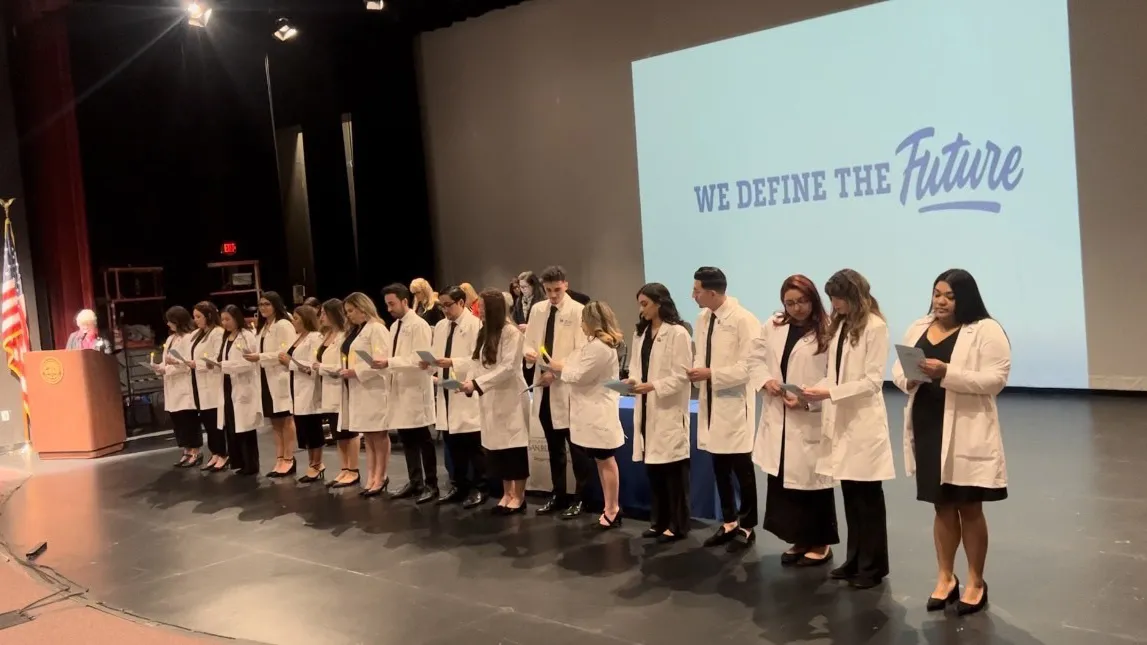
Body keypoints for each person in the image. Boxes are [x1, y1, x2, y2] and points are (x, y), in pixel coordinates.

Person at [892, 269, 1009, 615]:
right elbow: (899, 370)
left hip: (967, 428)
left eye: (949, 296)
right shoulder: (917, 327)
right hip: (928, 425)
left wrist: (948, 374)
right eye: (937, 293)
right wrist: (908, 380)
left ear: (965, 299)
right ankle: (946, 577)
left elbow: (996, 379)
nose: (940, 301)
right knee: (941, 506)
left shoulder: (986, 330)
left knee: (969, 507)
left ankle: (975, 581)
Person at [801, 269, 895, 589]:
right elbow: (836, 374)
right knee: (851, 496)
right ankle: (854, 558)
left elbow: (871, 382)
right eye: (832, 299)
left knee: (868, 497)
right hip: (842, 420)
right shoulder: (840, 326)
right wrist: (814, 391)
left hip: (863, 423)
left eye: (838, 297)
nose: (834, 304)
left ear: (855, 296)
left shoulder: (875, 327)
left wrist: (830, 392)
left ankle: (873, 565)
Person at [749, 275, 837, 566]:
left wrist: (808, 399)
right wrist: (766, 381)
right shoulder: (774, 325)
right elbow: (755, 359)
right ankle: (799, 539)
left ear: (813, 299)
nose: (797, 308)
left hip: (809, 414)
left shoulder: (828, 330)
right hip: (779, 413)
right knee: (786, 483)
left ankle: (821, 542)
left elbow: (834, 376)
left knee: (813, 484)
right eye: (790, 303)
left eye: (802, 301)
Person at [690, 266, 761, 552]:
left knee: (742, 468)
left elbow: (749, 366)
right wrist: (697, 370)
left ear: (712, 292)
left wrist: (711, 374)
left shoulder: (745, 320)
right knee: (718, 465)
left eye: (696, 291)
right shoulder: (702, 318)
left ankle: (747, 524)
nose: (692, 295)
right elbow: (700, 354)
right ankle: (729, 520)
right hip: (710, 399)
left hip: (733, 402)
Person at [549, 301, 627, 529]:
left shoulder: (600, 348)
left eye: (583, 321)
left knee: (606, 461)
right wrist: (561, 365)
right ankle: (609, 507)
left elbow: (578, 375)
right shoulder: (591, 345)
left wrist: (558, 368)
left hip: (598, 413)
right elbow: (573, 362)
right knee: (601, 462)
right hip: (589, 412)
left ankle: (612, 508)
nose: (581, 325)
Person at [524, 265, 592, 519]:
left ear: (566, 284)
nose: (553, 295)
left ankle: (582, 498)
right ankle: (558, 494)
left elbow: (581, 351)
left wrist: (557, 372)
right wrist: (529, 355)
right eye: (548, 290)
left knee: (577, 448)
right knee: (554, 447)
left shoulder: (578, 311)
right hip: (543, 386)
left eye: (557, 289)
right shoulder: (538, 310)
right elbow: (528, 341)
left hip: (565, 386)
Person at [626, 283, 693, 541]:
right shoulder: (640, 333)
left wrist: (654, 386)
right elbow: (635, 367)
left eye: (645, 304)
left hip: (667, 409)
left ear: (659, 303)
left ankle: (677, 524)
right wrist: (631, 382)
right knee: (654, 471)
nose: (641, 310)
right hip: (646, 407)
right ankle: (659, 521)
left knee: (673, 473)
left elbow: (681, 376)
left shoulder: (678, 334)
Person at [461, 289, 531, 514]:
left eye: (481, 307)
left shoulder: (511, 333)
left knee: (514, 450)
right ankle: (506, 493)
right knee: (497, 450)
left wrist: (478, 383)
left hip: (510, 398)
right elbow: (476, 361)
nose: (478, 310)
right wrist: (467, 382)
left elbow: (508, 368)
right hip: (490, 398)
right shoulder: (484, 332)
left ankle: (519, 497)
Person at [377, 283, 439, 503]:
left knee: (423, 439)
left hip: (415, 389)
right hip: (399, 388)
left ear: (404, 301)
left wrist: (389, 362)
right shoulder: (395, 327)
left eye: (392, 304)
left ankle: (431, 484)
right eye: (386, 305)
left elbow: (420, 358)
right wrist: (382, 363)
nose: (389, 309)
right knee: (407, 438)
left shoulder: (419, 325)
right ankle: (415, 481)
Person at [426, 286, 486, 508]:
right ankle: (458, 485)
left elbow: (477, 359)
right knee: (452, 444)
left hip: (465, 390)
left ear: (461, 302)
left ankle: (479, 487)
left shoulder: (475, 325)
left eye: (448, 305)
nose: (445, 310)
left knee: (472, 445)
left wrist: (452, 362)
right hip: (445, 388)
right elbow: (436, 354)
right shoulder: (441, 326)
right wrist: (429, 363)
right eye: (441, 305)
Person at [339, 292, 392, 496]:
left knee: (378, 434)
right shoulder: (357, 330)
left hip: (374, 389)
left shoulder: (377, 329)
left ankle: (381, 475)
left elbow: (381, 359)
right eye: (347, 312)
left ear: (363, 308)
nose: (349, 315)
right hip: (359, 389)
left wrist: (356, 371)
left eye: (351, 311)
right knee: (368, 436)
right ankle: (371, 475)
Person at [247, 291, 298, 478]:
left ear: (276, 305)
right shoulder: (262, 327)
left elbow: (285, 352)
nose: (263, 308)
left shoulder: (283, 324)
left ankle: (289, 458)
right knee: (274, 421)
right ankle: (279, 457)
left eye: (267, 304)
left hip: (280, 376)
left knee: (285, 418)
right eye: (261, 305)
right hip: (264, 377)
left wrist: (260, 357)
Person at [315, 298, 358, 488]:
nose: (321, 316)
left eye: (324, 313)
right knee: (337, 432)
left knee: (348, 431)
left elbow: (342, 365)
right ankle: (344, 468)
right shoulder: (326, 335)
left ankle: (353, 469)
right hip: (328, 389)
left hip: (342, 388)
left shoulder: (343, 336)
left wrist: (321, 367)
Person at [217, 305, 262, 476]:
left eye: (228, 319)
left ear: (237, 318)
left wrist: (225, 365)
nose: (225, 323)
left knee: (246, 428)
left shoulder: (246, 336)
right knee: (232, 425)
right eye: (223, 320)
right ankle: (239, 462)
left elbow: (248, 363)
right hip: (229, 385)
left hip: (243, 385)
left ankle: (251, 464)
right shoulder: (227, 337)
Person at [284, 305, 326, 483]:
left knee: (312, 426)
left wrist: (290, 363)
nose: (293, 321)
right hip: (296, 387)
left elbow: (312, 366)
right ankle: (311, 462)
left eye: (296, 318)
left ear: (306, 319)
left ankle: (317, 463)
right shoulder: (297, 337)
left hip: (309, 388)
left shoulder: (314, 337)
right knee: (303, 428)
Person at [156, 306, 201, 467]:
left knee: (188, 419)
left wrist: (168, 367)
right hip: (172, 385)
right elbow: (166, 359)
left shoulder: (190, 337)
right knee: (178, 420)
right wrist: (159, 367)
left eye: (170, 320)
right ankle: (186, 450)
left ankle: (195, 450)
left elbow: (187, 362)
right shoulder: (170, 339)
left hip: (184, 384)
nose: (168, 324)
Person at [187, 302, 226, 471]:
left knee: (215, 421)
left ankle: (223, 453)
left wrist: (199, 364)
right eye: (194, 317)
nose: (195, 320)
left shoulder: (217, 332)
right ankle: (215, 452)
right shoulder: (198, 334)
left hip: (212, 382)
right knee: (207, 421)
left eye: (198, 317)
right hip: (198, 382)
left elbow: (216, 357)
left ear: (209, 316)